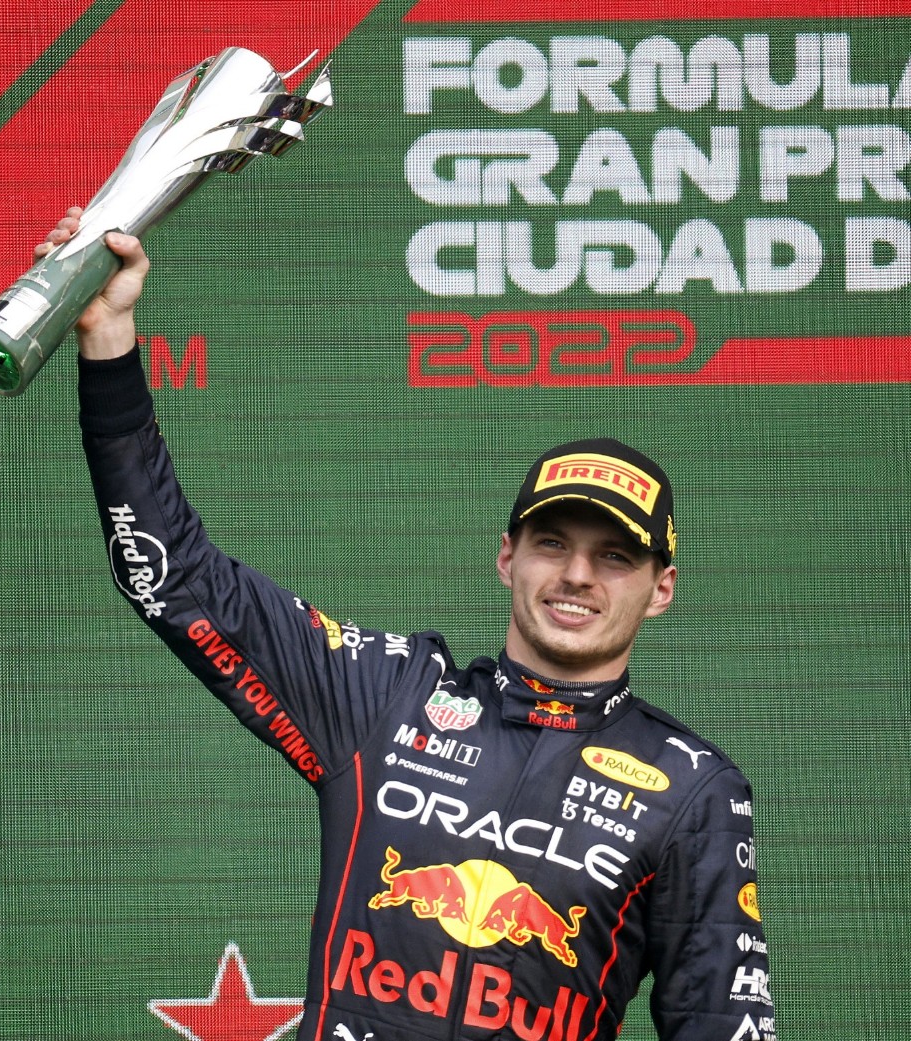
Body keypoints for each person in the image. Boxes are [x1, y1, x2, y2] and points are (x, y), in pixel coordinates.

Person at [42, 210, 777, 1041]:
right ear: (507, 557)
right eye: (551, 542)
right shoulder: (390, 696)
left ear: (662, 588)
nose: (575, 574)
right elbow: (174, 577)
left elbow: (719, 1023)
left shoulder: (694, 789)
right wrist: (109, 343)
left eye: (614, 557)